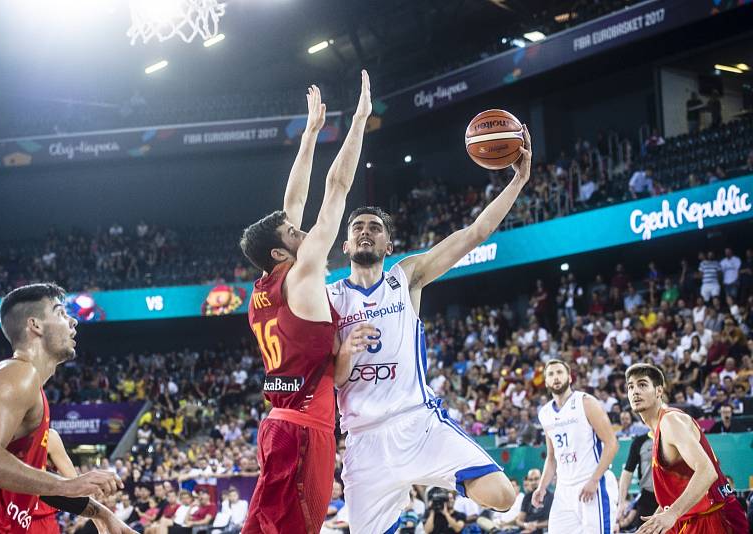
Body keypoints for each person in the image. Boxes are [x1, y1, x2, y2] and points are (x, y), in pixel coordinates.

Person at [329, 126, 533, 533]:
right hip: (364, 443)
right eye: (358, 228)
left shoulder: (406, 278)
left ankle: (436, 481)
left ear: (389, 246)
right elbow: (332, 377)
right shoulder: (330, 298)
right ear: (346, 246)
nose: (365, 231)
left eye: (375, 227)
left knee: (503, 496)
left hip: (417, 424)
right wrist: (347, 348)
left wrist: (519, 179)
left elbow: (474, 234)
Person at [239, 72, 374, 533]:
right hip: (302, 429)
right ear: (282, 252)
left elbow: (290, 203)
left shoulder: (263, 285)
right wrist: (357, 123)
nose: (304, 233)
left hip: (278, 424)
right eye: (295, 235)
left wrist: (312, 133)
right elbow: (336, 189)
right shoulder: (303, 272)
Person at [0, 283, 133, 533]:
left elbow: (33, 481)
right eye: (60, 312)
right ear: (35, 325)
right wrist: (68, 485)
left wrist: (101, 514)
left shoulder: (30, 388)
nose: (73, 321)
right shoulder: (17, 373)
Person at [626, 363, 748, 533]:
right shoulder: (659, 429)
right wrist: (656, 521)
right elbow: (681, 487)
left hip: (714, 515)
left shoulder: (671, 421)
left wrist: (672, 514)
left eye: (642, 384)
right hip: (697, 516)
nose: (635, 391)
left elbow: (707, 471)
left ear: (659, 391)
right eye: (630, 387)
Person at [532, 359, 619, 534]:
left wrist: (594, 480)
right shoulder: (545, 413)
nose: (556, 377)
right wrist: (541, 488)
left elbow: (612, 444)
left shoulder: (586, 402)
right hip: (563, 490)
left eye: (559, 372)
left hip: (592, 483)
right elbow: (551, 457)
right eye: (551, 374)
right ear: (546, 382)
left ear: (569, 378)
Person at [618, 429, 657, 531]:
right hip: (648, 497)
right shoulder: (640, 441)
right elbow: (628, 471)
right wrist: (621, 502)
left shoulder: (673, 437)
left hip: (670, 498)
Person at [515, 469, 552, 534]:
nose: (533, 482)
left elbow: (552, 521)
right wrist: (525, 525)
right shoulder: (527, 497)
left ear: (542, 478)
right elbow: (519, 520)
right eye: (531, 480)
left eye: (536, 479)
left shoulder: (551, 497)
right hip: (525, 530)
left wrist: (536, 526)